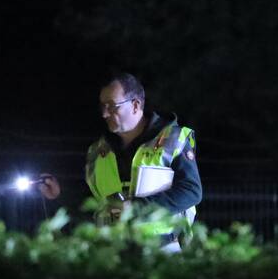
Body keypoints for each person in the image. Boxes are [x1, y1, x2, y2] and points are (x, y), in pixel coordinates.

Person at [85, 73, 202, 251]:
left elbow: (191, 191)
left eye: (111, 106)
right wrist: (57, 194)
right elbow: (88, 202)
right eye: (102, 106)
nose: (104, 113)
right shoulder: (98, 151)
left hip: (163, 251)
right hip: (112, 253)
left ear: (135, 105)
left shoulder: (173, 139)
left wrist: (138, 208)